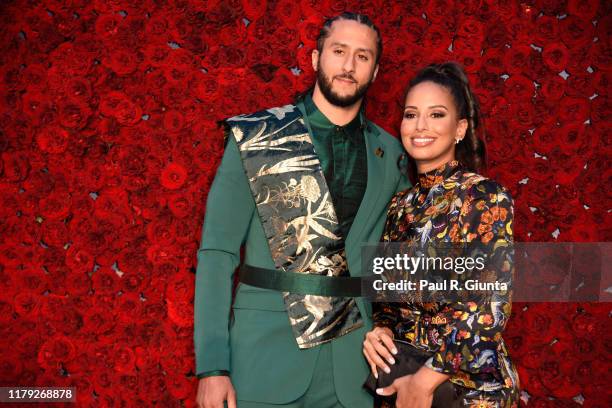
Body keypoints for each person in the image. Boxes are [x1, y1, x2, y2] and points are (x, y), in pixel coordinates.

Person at [194, 12, 410, 408]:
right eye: (339, 51)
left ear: (375, 71)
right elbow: (217, 254)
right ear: (315, 59)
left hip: (353, 366)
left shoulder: (393, 154)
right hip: (263, 358)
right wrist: (212, 367)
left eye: (362, 57)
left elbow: (401, 260)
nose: (348, 65)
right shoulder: (260, 136)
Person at [362, 62, 520, 408]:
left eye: (436, 115)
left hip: (468, 390)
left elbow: (488, 310)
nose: (420, 126)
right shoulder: (400, 206)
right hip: (401, 383)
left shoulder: (483, 196)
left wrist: (424, 382)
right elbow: (388, 302)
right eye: (410, 114)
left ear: (460, 128)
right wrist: (380, 331)